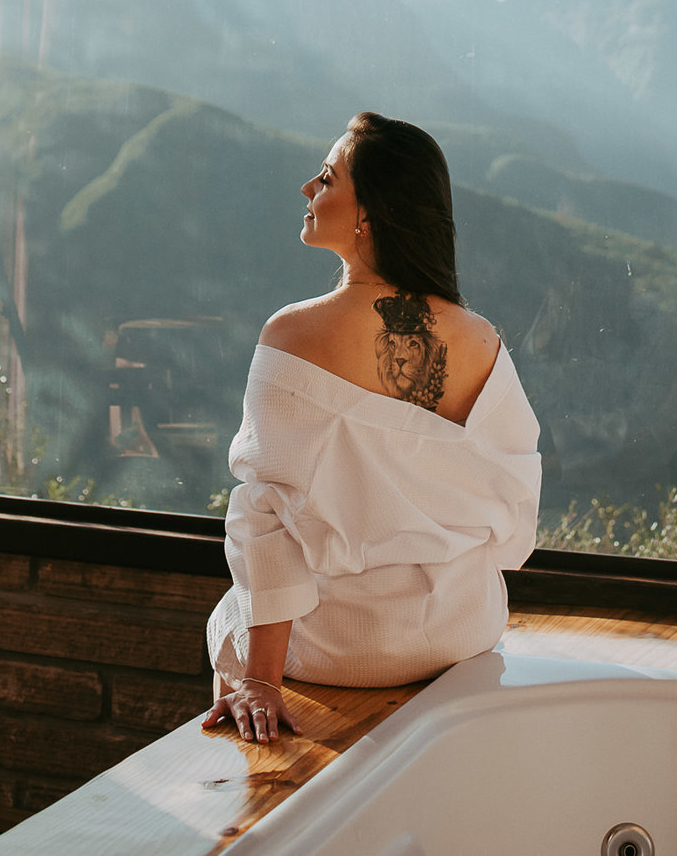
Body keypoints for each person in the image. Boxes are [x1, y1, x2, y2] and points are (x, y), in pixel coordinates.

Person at [202, 111, 542, 745]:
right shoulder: (482, 341)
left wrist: (261, 682)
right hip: (460, 628)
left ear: (369, 214)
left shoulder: (294, 334)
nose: (309, 187)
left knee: (226, 619)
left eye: (328, 177)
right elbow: (514, 502)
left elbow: (265, 514)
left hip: (341, 645)